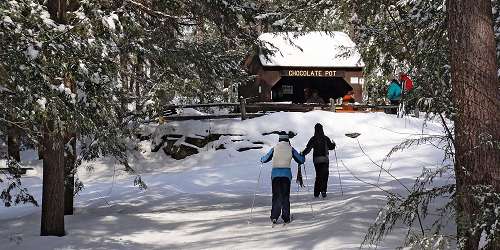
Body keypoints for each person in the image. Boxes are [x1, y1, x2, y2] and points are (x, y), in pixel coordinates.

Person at [260, 131, 305, 224]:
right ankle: (286, 217)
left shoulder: (274, 148)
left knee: (276, 195)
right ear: (287, 139)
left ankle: (274, 216)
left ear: (279, 139)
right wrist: (302, 156)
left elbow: (265, 159)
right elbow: (300, 160)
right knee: (285, 196)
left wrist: (261, 159)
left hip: (275, 175)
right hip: (286, 175)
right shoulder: (291, 149)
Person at [301, 123, 336, 198]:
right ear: (322, 129)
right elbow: (330, 147)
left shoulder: (313, 138)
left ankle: (316, 193)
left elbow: (308, 149)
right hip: (325, 159)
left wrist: (303, 153)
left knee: (318, 175)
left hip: (316, 160)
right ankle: (323, 190)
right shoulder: (325, 138)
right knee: (325, 175)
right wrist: (333, 144)